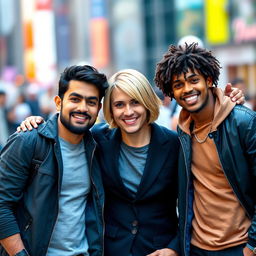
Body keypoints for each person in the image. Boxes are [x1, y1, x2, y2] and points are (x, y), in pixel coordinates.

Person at [17, 69, 244, 256]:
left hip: (160, 249)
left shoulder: (174, 144)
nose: (128, 112)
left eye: (135, 102)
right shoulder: (97, 140)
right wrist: (35, 122)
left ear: (146, 104)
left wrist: (174, 248)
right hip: (112, 249)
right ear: (111, 111)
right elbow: (63, 129)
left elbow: (189, 203)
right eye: (119, 105)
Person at [154, 43, 256, 256]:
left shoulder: (243, 123)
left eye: (193, 80)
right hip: (197, 248)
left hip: (239, 247)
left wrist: (252, 246)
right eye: (178, 84)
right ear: (171, 92)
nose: (187, 89)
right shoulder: (181, 133)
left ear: (208, 80)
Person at [0, 65, 108, 256]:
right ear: (58, 102)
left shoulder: (98, 146)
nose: (82, 108)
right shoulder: (28, 141)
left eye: (91, 102)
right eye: (75, 99)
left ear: (98, 108)